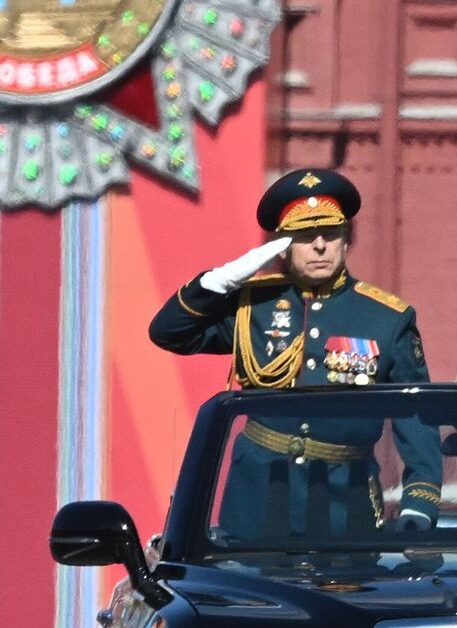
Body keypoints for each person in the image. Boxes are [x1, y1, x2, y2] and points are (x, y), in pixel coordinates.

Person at [148, 168, 442, 540]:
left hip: (344, 499)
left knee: (346, 594)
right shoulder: (254, 307)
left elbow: (417, 415)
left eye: (330, 234)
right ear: (283, 245)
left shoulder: (386, 317)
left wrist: (420, 501)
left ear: (346, 239)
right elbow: (169, 333)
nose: (319, 245)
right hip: (257, 496)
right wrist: (217, 282)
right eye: (304, 236)